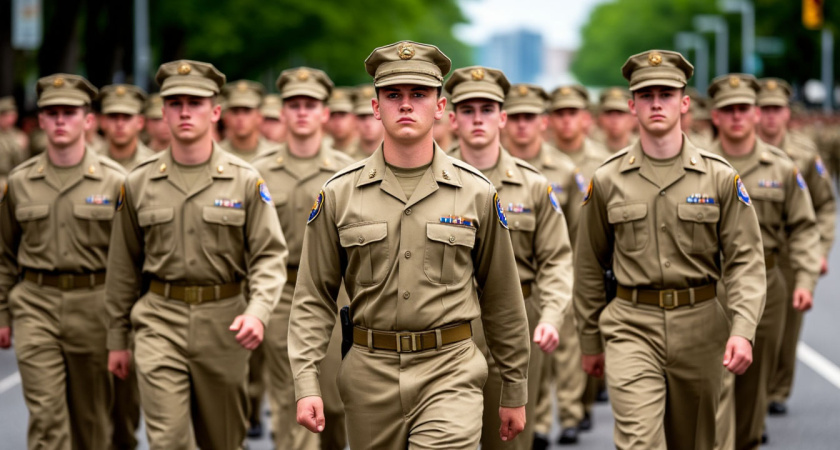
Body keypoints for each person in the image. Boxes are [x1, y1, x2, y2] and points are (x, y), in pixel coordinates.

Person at [289, 41, 531, 449]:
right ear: (375, 106)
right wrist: (306, 380)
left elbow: (502, 296)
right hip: (369, 375)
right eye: (393, 95)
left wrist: (515, 386)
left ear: (439, 107)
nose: (406, 105)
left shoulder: (475, 192)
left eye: (419, 94)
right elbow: (313, 295)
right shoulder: (339, 194)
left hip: (450, 370)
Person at [575, 50, 766, 450]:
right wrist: (590, 339)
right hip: (631, 324)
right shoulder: (607, 179)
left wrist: (744, 330)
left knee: (697, 441)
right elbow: (589, 264)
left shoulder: (720, 177)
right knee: (638, 442)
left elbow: (746, 260)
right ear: (632, 105)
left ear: (684, 103)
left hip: (701, 325)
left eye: (666, 93)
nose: (656, 102)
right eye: (646, 95)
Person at [105, 60, 289, 449]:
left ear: (215, 111)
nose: (185, 111)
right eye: (175, 102)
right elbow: (123, 266)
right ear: (163, 111)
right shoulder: (138, 182)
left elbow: (269, 256)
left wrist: (257, 312)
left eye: (196, 102)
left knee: (222, 440)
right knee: (168, 439)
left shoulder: (244, 179)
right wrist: (117, 337)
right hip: (159, 319)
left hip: (224, 323)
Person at [445, 65, 572, 450]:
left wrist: (551, 316)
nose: (478, 118)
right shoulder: (431, 181)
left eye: (487, 108)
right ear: (452, 118)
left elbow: (556, 259)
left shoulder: (533, 185)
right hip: (451, 322)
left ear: (502, 116)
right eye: (468, 109)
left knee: (509, 439)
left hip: (519, 320)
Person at [0, 74, 125, 449]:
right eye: (51, 113)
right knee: (47, 418)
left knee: (91, 423)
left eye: (69, 112)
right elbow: (4, 253)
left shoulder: (116, 182)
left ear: (88, 120)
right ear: (39, 120)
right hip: (36, 304)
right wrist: (3, 313)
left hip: (95, 307)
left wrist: (126, 326)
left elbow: (130, 262)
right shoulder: (20, 183)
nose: (59, 121)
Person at [707, 73, 820, 450]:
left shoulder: (782, 166)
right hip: (707, 288)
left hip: (767, 284)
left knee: (752, 390)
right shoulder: (695, 165)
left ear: (755, 114)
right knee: (709, 387)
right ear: (715, 116)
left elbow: (804, 227)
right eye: (728, 110)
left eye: (744, 109)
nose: (737, 116)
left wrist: (805, 279)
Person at [252, 66, 354, 450]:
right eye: (293, 104)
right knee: (290, 399)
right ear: (282, 112)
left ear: (325, 113)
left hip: (336, 296)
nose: (301, 112)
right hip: (282, 296)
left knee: (338, 402)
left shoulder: (347, 172)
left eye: (310, 105)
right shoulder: (258, 173)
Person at [501, 83, 588, 448]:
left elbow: (576, 231)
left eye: (530, 118)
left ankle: (566, 414)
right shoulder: (475, 170)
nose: (522, 125)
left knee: (560, 347)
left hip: (546, 283)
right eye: (516, 117)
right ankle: (534, 423)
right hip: (498, 292)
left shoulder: (563, 170)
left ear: (543, 122)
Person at [755, 78, 837, 417]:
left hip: (789, 253)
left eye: (777, 110)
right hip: (746, 253)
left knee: (787, 328)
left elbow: (825, 206)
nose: (771, 117)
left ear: (787, 113)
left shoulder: (804, 154)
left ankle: (777, 389)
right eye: (766, 109)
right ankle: (751, 390)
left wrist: (819, 251)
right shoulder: (738, 150)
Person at [99, 84, 155, 172]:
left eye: (127, 117)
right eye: (113, 116)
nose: (119, 124)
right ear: (103, 121)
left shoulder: (153, 165)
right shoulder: (91, 162)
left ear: (140, 122)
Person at [219, 80, 277, 162]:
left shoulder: (274, 153)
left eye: (247, 111)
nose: (240, 118)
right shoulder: (216, 154)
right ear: (226, 117)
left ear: (259, 116)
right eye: (235, 111)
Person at [347, 84, 384, 160]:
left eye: (373, 116)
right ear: (354, 120)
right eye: (362, 117)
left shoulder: (396, 155)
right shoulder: (345, 157)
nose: (368, 124)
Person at [597, 87, 636, 153]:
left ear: (631, 119)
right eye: (609, 113)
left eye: (620, 114)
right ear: (601, 118)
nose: (614, 120)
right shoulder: (593, 150)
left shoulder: (641, 149)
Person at [326, 87, 359, 152]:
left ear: (354, 118)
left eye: (342, 114)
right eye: (332, 115)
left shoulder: (368, 150)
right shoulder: (323, 150)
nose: (337, 121)